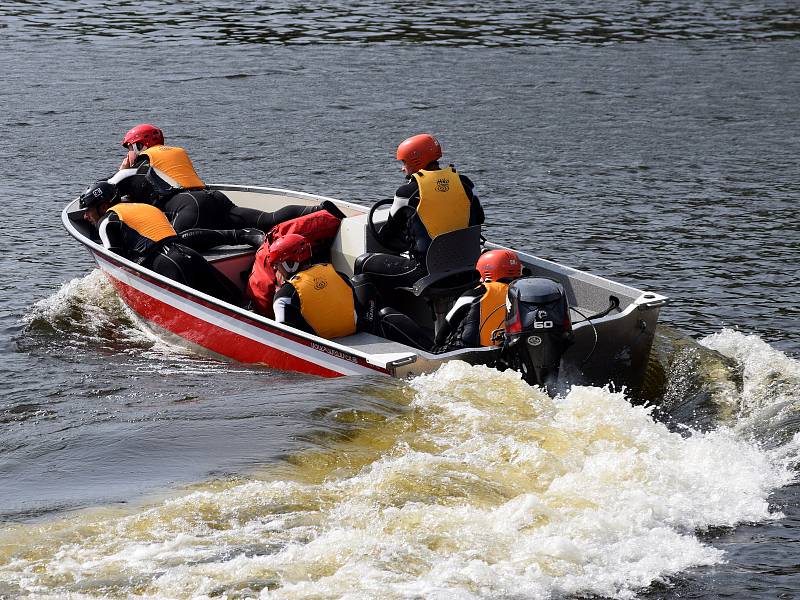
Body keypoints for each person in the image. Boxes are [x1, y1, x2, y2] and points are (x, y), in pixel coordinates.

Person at [115, 124, 344, 232]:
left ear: (141, 144)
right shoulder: (177, 153)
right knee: (268, 218)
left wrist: (123, 169)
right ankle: (321, 209)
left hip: (189, 206)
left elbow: (112, 188)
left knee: (171, 245)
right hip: (212, 198)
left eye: (130, 147)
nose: (128, 152)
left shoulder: (143, 160)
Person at [79, 180, 244, 306]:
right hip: (190, 255)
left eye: (88, 210)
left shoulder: (107, 221)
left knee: (201, 311)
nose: (86, 217)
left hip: (165, 262)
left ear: (104, 206)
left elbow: (115, 266)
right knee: (241, 305)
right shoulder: (146, 207)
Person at [354, 133, 485, 291]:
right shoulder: (465, 184)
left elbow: (388, 235)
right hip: (469, 270)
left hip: (428, 275)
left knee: (363, 262)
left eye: (404, 162)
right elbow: (479, 218)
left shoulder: (407, 192)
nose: (403, 168)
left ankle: (378, 315)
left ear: (416, 161)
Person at [269, 234, 363, 338]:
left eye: (277, 264)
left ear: (289, 263)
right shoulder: (339, 275)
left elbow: (283, 337)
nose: (275, 268)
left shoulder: (285, 295)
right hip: (358, 335)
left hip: (318, 350)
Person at [432, 249, 523, 352]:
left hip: (468, 350)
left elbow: (448, 324)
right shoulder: (521, 293)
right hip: (504, 351)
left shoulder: (472, 294)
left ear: (487, 272)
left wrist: (437, 345)